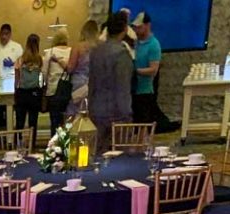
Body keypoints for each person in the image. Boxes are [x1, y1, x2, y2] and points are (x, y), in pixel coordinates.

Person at [88, 12, 133, 154]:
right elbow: (123, 86)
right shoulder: (121, 54)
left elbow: (91, 83)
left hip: (97, 110)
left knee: (97, 155)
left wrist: (90, 109)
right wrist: (127, 114)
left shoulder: (96, 51)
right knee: (120, 158)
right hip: (117, 113)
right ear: (125, 29)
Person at [0, 23, 23, 129]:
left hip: (11, 82)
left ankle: (11, 137)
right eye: (2, 34)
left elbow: (21, 64)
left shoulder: (17, 47)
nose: (4, 37)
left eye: (6, 34)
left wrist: (12, 64)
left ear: (10, 34)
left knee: (11, 110)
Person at [14, 34, 43, 150]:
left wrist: (15, 90)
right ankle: (32, 146)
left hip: (22, 92)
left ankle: (18, 144)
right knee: (33, 122)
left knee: (20, 121)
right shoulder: (39, 59)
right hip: (34, 93)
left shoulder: (20, 59)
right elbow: (42, 77)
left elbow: (17, 78)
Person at [131, 11, 161, 123]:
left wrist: (135, 71)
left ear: (148, 25)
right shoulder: (135, 42)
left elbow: (153, 70)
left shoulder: (154, 45)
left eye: (140, 27)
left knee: (143, 124)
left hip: (144, 91)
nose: (137, 30)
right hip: (133, 89)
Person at [42, 28, 71, 135]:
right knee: (67, 121)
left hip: (53, 90)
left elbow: (44, 72)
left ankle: (54, 146)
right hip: (67, 90)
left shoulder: (50, 52)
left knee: (55, 121)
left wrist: (46, 84)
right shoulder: (71, 51)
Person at [67, 20, 98, 118]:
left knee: (73, 113)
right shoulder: (99, 47)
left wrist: (62, 63)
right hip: (93, 83)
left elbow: (70, 68)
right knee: (89, 112)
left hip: (78, 83)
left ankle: (73, 132)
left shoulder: (78, 47)